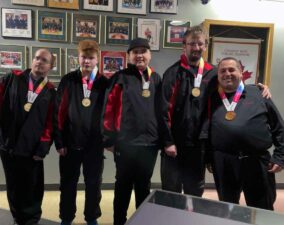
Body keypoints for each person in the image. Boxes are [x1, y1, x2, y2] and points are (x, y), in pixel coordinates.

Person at [160, 24, 271, 197]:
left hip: (199, 145)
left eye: (200, 44)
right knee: (171, 190)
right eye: (192, 44)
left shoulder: (213, 73)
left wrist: (257, 88)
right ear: (184, 45)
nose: (196, 48)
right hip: (174, 144)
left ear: (205, 46)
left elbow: (233, 86)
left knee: (195, 191)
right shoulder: (172, 73)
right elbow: (163, 110)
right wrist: (168, 142)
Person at [0, 49, 56, 225]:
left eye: (44, 60)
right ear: (32, 60)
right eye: (37, 58)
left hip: (32, 148)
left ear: (50, 67)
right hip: (9, 144)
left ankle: (31, 219)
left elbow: (50, 124)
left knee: (32, 186)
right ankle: (18, 218)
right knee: (14, 185)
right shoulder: (12, 79)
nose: (39, 62)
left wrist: (43, 147)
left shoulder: (51, 91)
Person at [203, 57, 284, 210]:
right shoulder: (211, 97)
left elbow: (279, 127)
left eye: (232, 69)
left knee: (262, 208)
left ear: (241, 72)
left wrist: (280, 157)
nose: (227, 74)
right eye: (223, 71)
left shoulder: (259, 94)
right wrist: (208, 157)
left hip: (257, 161)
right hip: (224, 161)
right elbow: (205, 130)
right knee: (227, 207)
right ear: (218, 75)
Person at [103, 37, 162, 225]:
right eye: (135, 52)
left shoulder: (156, 78)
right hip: (125, 144)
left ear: (149, 55)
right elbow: (108, 110)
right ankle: (119, 222)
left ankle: (141, 222)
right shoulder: (119, 78)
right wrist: (109, 139)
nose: (139, 55)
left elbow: (162, 110)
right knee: (123, 187)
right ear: (129, 56)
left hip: (149, 144)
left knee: (143, 188)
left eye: (143, 51)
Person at [53, 40, 108, 225]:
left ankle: (92, 218)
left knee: (94, 185)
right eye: (83, 57)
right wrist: (59, 142)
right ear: (78, 57)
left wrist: (106, 141)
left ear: (97, 59)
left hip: (94, 145)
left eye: (91, 58)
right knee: (68, 185)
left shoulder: (104, 83)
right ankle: (66, 218)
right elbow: (58, 112)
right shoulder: (68, 80)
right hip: (70, 145)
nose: (86, 61)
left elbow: (109, 115)